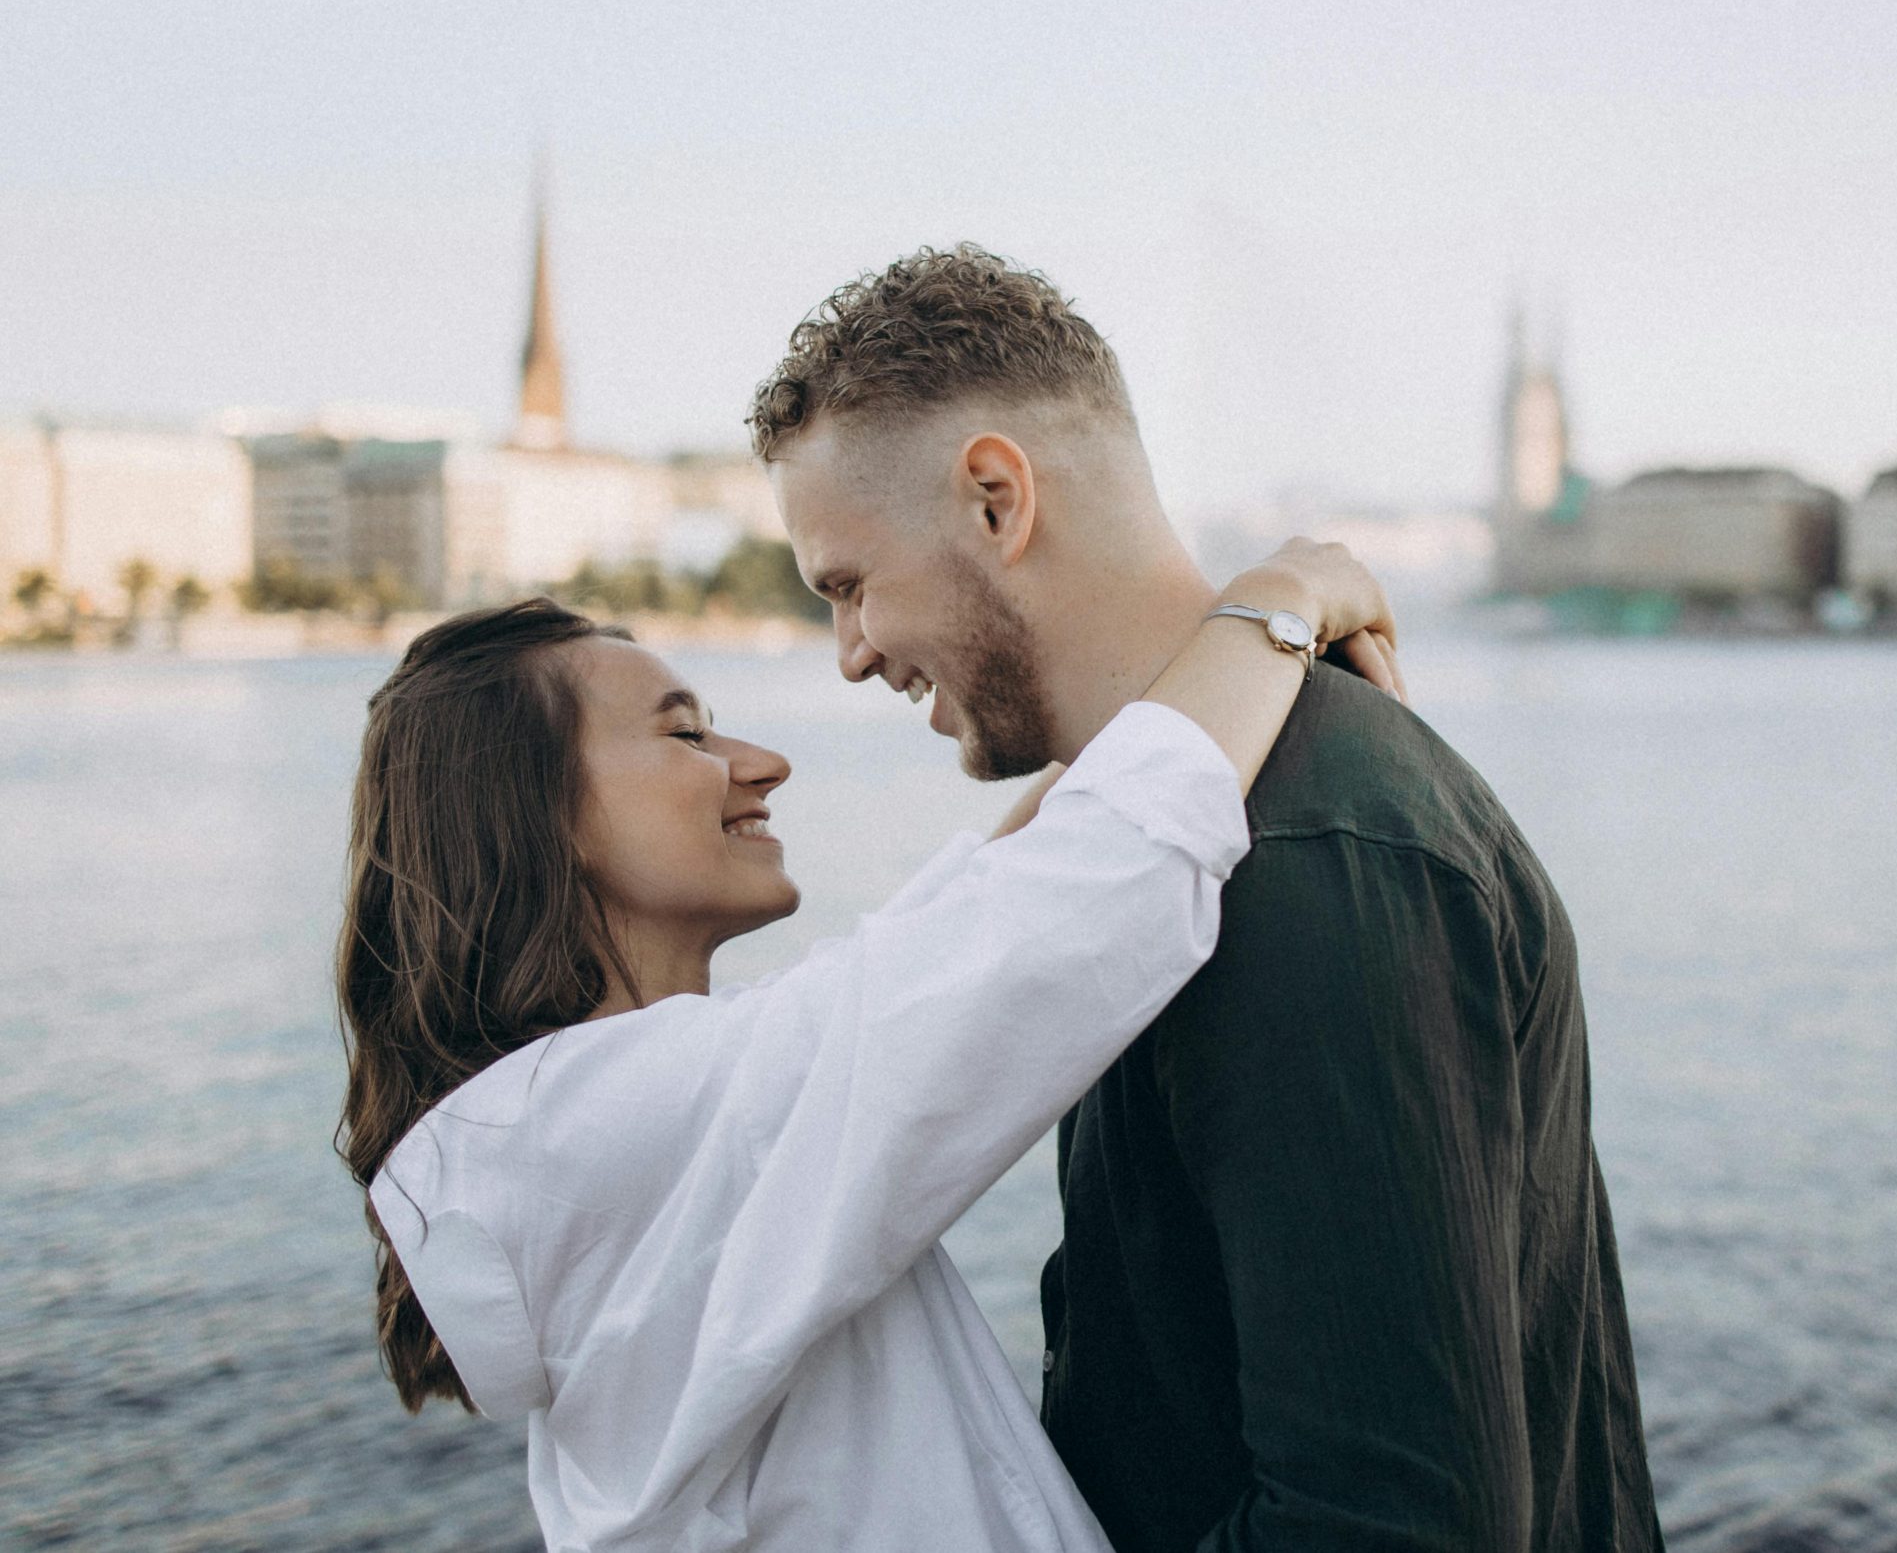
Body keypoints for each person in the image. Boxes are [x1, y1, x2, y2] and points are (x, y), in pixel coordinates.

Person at [752, 245, 1663, 1551]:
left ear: (997, 501)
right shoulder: (1151, 846)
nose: (850, 654)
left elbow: (1390, 1526)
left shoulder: (1298, 857)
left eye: (847, 584)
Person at [335, 534, 1400, 1553]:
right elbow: (1072, 904)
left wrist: (1197, 667)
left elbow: (972, 918)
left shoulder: (599, 1128)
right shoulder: (610, 1129)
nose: (764, 761)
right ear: (537, 814)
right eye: (686, 734)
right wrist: (1280, 601)